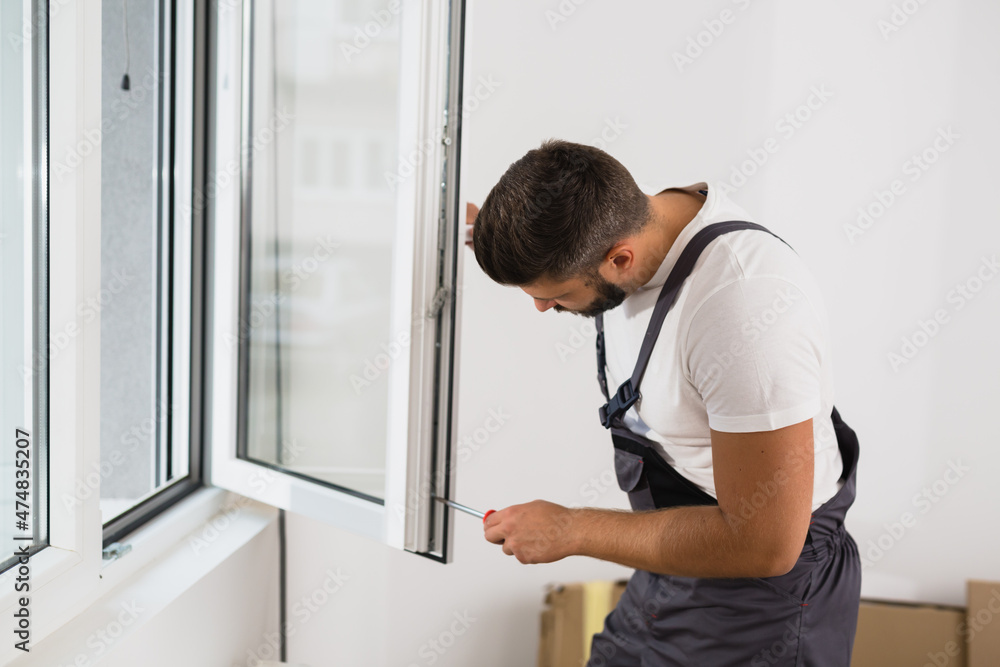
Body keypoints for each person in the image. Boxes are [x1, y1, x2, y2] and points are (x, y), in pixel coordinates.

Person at [467, 139, 862, 666]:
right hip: (677, 563)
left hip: (765, 593)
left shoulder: (743, 309)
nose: (542, 307)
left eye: (556, 294)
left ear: (620, 258)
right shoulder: (624, 227)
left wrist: (571, 529)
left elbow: (766, 544)